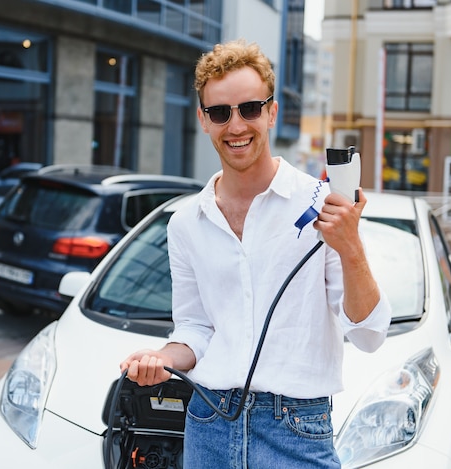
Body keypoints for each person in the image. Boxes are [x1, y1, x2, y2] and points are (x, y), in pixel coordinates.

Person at [119, 39, 391, 468]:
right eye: (220, 113)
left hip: (296, 430)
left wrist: (351, 248)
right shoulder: (186, 223)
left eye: (249, 109)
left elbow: (369, 335)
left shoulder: (323, 205)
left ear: (271, 113)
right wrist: (162, 359)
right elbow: (195, 328)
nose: (236, 125)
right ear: (203, 121)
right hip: (208, 422)